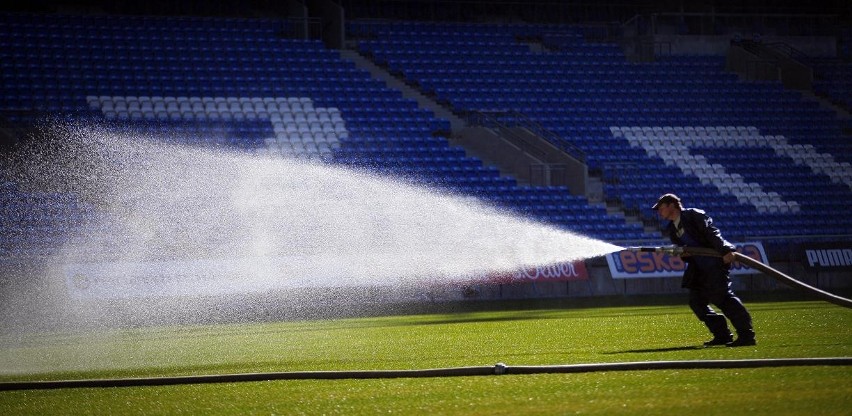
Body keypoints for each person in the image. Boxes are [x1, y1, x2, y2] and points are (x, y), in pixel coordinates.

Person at [652, 193, 756, 347]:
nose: (659, 212)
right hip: (698, 269)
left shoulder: (694, 215)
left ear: (672, 205)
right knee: (697, 303)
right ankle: (722, 335)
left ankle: (747, 335)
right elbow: (687, 252)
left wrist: (725, 250)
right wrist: (683, 254)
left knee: (723, 299)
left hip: (713, 264)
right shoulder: (672, 229)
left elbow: (712, 233)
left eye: (661, 208)